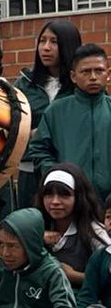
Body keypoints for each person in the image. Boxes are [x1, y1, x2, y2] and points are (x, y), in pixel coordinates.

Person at [27, 43, 111, 202]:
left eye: (99, 71)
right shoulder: (56, 111)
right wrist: (59, 178)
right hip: (70, 200)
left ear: (108, 74)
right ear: (73, 76)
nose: (93, 77)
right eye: (86, 72)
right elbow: (39, 149)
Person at [15, 20, 82, 204]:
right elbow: (10, 125)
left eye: (54, 42)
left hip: (71, 168)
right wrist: (31, 134)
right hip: (31, 169)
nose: (45, 48)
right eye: (42, 41)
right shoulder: (24, 84)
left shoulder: (79, 85)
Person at [35, 164, 110, 289]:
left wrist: (74, 276)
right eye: (48, 195)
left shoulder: (93, 231)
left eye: (64, 195)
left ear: (79, 197)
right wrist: (34, 237)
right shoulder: (35, 226)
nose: (55, 201)